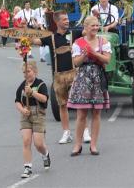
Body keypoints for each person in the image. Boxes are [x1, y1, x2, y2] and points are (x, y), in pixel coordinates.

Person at [33, 10, 91, 144]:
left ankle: (85, 131)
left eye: (67, 19)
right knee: (62, 105)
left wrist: (90, 24)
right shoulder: (51, 37)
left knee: (79, 104)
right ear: (57, 21)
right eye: (64, 19)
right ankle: (66, 133)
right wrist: (25, 33)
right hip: (58, 76)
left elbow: (86, 32)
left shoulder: (74, 33)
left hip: (74, 73)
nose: (67, 21)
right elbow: (35, 41)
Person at [67, 16, 111, 156]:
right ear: (85, 27)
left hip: (97, 76)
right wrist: (84, 56)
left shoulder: (102, 41)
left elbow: (107, 60)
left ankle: (93, 145)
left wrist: (94, 53)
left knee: (96, 113)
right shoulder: (78, 43)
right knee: (81, 113)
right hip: (83, 77)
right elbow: (76, 63)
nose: (95, 28)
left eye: (97, 25)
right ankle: (77, 145)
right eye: (93, 25)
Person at [15, 61, 50, 178]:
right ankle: (27, 167)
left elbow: (44, 99)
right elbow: (17, 101)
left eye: (28, 71)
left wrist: (32, 93)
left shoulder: (41, 84)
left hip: (38, 114)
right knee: (26, 141)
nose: (26, 74)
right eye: (24, 72)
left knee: (38, 144)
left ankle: (45, 154)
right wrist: (21, 110)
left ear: (35, 71)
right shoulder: (22, 85)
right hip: (26, 115)